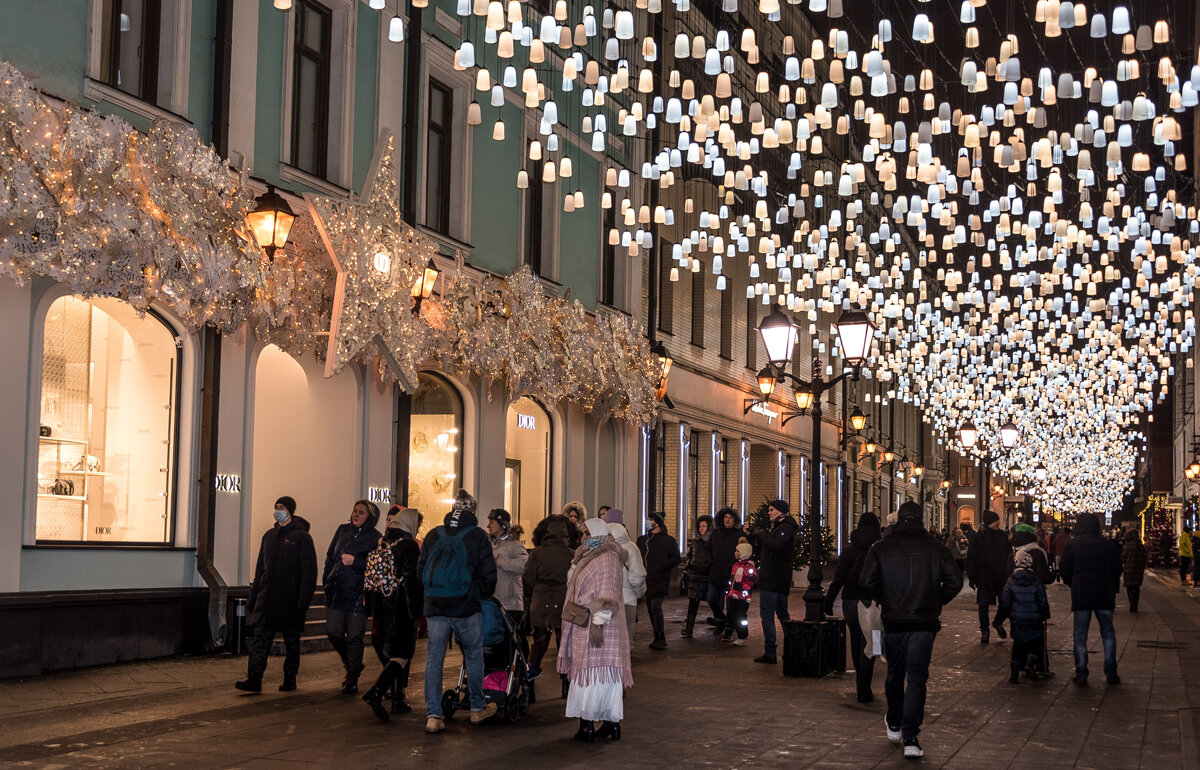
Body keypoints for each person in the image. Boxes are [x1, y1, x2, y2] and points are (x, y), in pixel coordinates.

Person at [861, 501, 963, 760]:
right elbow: (955, 581)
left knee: (895, 673)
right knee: (917, 678)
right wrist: (935, 600)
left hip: (894, 620)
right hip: (924, 623)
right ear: (921, 519)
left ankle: (894, 722)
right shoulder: (935, 548)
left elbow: (866, 582)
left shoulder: (881, 548)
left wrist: (885, 598)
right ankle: (912, 738)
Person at [418, 490, 499, 733]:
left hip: (435, 607)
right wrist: (480, 595)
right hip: (466, 606)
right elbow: (488, 574)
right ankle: (476, 708)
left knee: (434, 659)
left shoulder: (434, 534)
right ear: (472, 511)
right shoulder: (478, 536)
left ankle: (433, 716)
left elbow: (420, 570)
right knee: (474, 656)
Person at [558, 519, 633, 742]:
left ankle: (589, 725)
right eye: (582, 534)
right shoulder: (590, 557)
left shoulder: (608, 558)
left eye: (587, 534)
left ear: (599, 534)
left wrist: (598, 625)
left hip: (599, 628)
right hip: (585, 624)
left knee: (595, 677)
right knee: (591, 675)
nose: (583, 538)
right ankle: (607, 724)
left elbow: (607, 596)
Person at [236, 496, 317, 694]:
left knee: (291, 641)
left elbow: (309, 572)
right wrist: (254, 596)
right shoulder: (269, 536)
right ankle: (254, 679)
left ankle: (290, 678)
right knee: (260, 639)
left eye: (281, 507)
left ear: (290, 511)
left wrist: (303, 602)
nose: (277, 510)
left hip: (290, 599)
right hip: (268, 598)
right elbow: (260, 568)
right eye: (276, 507)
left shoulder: (301, 537)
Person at [362, 507, 423, 719]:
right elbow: (412, 581)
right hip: (401, 607)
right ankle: (377, 692)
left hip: (381, 604)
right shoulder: (409, 546)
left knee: (394, 653)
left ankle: (397, 699)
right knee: (403, 654)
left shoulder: (382, 542)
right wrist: (417, 611)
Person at [322, 499, 382, 694]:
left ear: (370, 517)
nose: (356, 514)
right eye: (355, 510)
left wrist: (356, 561)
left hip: (358, 594)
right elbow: (331, 557)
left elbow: (375, 568)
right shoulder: (342, 530)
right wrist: (327, 579)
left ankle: (352, 677)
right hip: (337, 590)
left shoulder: (375, 537)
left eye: (361, 512)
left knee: (354, 637)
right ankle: (353, 665)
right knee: (334, 631)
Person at [1060, 512, 1123, 686]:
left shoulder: (1072, 545)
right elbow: (1117, 569)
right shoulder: (1108, 545)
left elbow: (1064, 569)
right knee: (1108, 633)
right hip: (1104, 594)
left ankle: (1081, 672)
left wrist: (1073, 583)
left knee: (1080, 635)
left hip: (1082, 595)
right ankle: (1111, 672)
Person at [825, 511, 882, 702]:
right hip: (874, 602)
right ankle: (865, 682)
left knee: (857, 638)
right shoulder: (881, 548)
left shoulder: (849, 550)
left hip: (850, 601)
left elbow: (839, 578)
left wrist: (829, 600)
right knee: (874, 641)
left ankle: (861, 679)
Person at [523, 514, 577, 699]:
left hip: (540, 602)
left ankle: (529, 685)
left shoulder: (537, 552)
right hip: (564, 601)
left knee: (539, 644)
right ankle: (566, 684)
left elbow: (528, 579)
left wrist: (531, 595)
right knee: (565, 644)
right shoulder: (571, 553)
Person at [743, 499, 799, 664]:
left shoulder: (785, 528)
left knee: (769, 614)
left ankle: (771, 651)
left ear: (780, 512)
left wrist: (759, 533)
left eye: (771, 509)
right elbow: (765, 548)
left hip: (774, 578)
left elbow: (775, 545)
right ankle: (791, 648)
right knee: (782, 614)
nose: (769, 512)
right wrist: (752, 536)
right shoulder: (777, 527)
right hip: (776, 578)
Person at [996, 549, 1051, 685]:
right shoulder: (1036, 580)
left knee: (1018, 645)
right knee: (1035, 643)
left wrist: (1002, 617)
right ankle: (1030, 663)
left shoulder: (1011, 581)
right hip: (1035, 618)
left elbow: (1005, 601)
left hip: (1018, 618)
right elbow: (1042, 600)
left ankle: (1014, 674)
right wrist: (1046, 614)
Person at [966, 510, 1012, 644]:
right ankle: (984, 631)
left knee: (1005, 602)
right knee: (983, 604)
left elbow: (1008, 554)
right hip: (984, 576)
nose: (998, 522)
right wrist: (972, 577)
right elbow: (971, 557)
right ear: (989, 522)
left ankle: (997, 622)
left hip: (1000, 576)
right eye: (995, 520)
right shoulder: (979, 537)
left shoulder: (1002, 536)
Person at [637, 512, 680, 650]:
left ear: (657, 522)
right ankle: (657, 635)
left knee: (656, 606)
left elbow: (676, 558)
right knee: (650, 608)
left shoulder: (668, 541)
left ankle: (661, 636)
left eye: (650, 519)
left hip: (660, 578)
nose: (647, 521)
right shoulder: (643, 540)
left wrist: (663, 565)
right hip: (647, 578)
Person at [603, 509, 646, 646]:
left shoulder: (599, 547)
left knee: (606, 638)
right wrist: (639, 593)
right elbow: (637, 577)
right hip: (627, 600)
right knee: (626, 640)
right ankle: (624, 665)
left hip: (605, 599)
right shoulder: (631, 547)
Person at [487, 508, 528, 628]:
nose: (488, 525)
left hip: (510, 604)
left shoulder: (515, 546)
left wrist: (499, 561)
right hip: (493, 601)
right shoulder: (490, 545)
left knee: (509, 641)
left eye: (492, 522)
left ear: (502, 524)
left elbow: (524, 566)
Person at [706, 507, 742, 635]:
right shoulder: (715, 534)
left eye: (730, 518)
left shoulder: (738, 535)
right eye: (725, 517)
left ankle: (728, 628)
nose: (727, 520)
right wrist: (710, 562)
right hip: (715, 572)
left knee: (730, 603)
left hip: (730, 574)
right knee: (711, 599)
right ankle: (721, 619)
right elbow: (708, 549)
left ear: (734, 520)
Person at [681, 514, 714, 637]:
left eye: (704, 526)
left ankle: (720, 623)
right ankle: (689, 628)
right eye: (700, 526)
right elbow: (690, 555)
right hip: (695, 576)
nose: (701, 528)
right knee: (693, 603)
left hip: (708, 576)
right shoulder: (695, 541)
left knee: (713, 601)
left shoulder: (712, 542)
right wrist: (689, 565)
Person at [724, 538, 757, 645]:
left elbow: (753, 579)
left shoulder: (748, 566)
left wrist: (745, 588)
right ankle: (736, 632)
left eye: (738, 551)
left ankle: (742, 636)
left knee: (741, 616)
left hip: (743, 596)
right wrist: (730, 588)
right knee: (732, 614)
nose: (735, 553)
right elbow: (732, 579)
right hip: (733, 594)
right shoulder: (736, 565)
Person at [1121, 528, 1148, 613]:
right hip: (1138, 569)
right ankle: (1135, 605)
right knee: (1136, 587)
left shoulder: (1127, 546)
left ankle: (1131, 603)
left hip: (1129, 569)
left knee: (1129, 587)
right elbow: (1145, 558)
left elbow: (1123, 558)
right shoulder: (1141, 547)